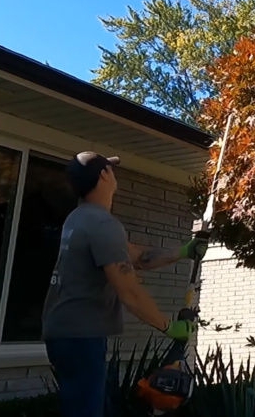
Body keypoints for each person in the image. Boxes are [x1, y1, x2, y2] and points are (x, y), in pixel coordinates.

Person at [42, 152, 209, 417]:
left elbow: (137, 257)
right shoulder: (101, 223)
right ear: (104, 176)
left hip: (69, 333)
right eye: (111, 169)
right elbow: (129, 291)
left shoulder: (80, 218)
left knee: (93, 408)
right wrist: (169, 327)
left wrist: (184, 251)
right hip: (81, 336)